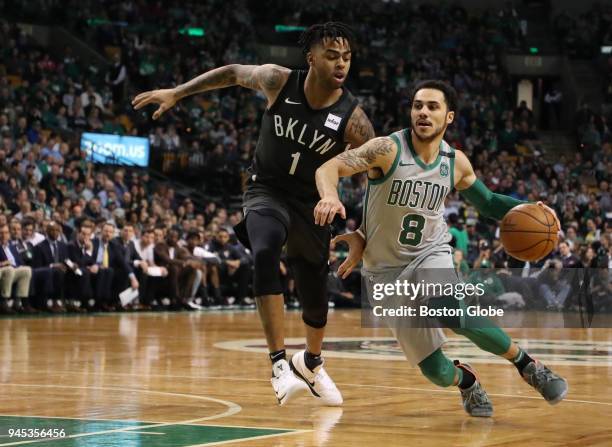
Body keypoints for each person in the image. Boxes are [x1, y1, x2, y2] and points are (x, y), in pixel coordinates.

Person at [133, 22, 375, 406]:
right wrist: (177, 93)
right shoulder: (277, 80)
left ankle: (311, 362)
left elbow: (377, 174)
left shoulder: (355, 120)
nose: (341, 64)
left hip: (312, 205)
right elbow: (231, 73)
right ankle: (279, 364)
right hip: (266, 190)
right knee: (265, 248)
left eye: (346, 57)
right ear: (311, 58)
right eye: (331, 56)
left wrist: (363, 233)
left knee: (315, 295)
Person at [313, 80, 568, 417]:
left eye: (432, 106)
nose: (423, 112)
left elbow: (489, 202)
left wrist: (537, 212)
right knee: (435, 371)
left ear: (448, 117)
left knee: (451, 309)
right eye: (418, 105)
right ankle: (467, 382)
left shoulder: (455, 162)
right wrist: (330, 196)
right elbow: (328, 167)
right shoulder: (387, 150)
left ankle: (529, 366)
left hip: (430, 252)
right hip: (384, 271)